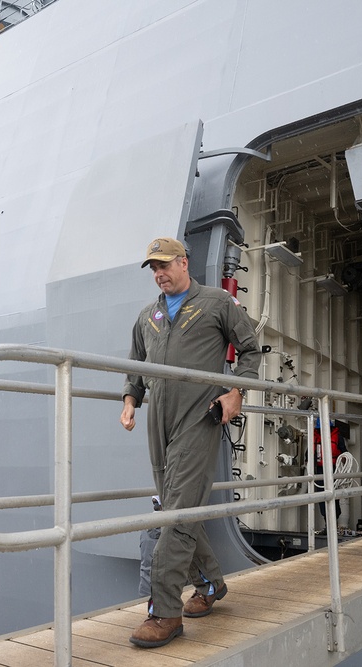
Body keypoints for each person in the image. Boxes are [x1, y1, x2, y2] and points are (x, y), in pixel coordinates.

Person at [120, 237, 262, 648]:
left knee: (175, 515)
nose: (159, 274)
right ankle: (212, 584)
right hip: (157, 423)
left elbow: (250, 351)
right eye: (153, 269)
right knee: (174, 507)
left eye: (165, 265)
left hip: (198, 418)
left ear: (184, 262)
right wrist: (131, 400)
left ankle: (165, 612)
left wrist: (237, 391)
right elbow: (135, 365)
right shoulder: (148, 316)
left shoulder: (218, 303)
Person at [314, 419, 347, 528]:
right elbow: (309, 453)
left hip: (333, 470)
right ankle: (327, 525)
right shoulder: (315, 437)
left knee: (333, 496)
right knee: (322, 497)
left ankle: (334, 524)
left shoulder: (337, 437)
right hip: (320, 470)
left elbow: (345, 453)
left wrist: (342, 463)